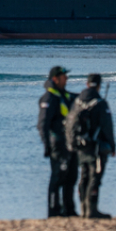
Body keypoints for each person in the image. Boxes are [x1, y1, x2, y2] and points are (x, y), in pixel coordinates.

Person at [66, 73, 116, 218]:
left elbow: (69, 123)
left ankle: (83, 208)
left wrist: (71, 144)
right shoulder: (100, 103)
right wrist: (113, 146)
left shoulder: (77, 102)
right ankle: (92, 209)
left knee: (84, 176)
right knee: (95, 177)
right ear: (99, 86)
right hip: (96, 147)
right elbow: (107, 127)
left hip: (80, 146)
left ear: (87, 84)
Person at [37, 67, 76, 217]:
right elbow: (43, 124)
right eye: (64, 76)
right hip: (57, 144)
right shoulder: (49, 98)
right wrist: (47, 145)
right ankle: (53, 210)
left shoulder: (64, 95)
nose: (67, 79)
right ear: (55, 79)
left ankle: (69, 209)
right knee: (58, 177)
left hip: (69, 143)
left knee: (71, 177)